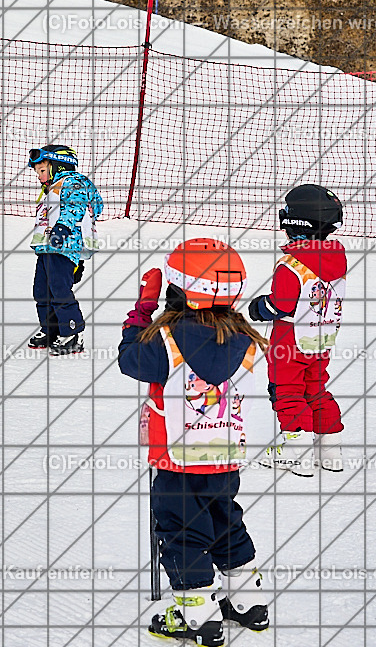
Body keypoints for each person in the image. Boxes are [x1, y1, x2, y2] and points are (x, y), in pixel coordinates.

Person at [118, 239, 270, 645]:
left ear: (179, 290)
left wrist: (142, 308)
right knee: (224, 518)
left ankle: (199, 614)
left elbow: (128, 359)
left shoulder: (164, 339)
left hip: (176, 459)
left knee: (182, 530)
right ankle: (247, 600)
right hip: (226, 455)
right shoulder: (249, 339)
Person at [249, 184, 346, 476]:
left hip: (290, 340)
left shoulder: (291, 265)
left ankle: (296, 450)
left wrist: (259, 308)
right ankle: (329, 448)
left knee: (287, 389)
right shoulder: (335, 258)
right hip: (322, 335)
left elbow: (282, 305)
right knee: (315, 386)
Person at [27, 145, 103, 355]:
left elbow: (76, 206)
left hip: (64, 245)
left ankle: (71, 332)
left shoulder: (73, 182)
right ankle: (50, 329)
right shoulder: (53, 187)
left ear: (58, 164)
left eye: (42, 170)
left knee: (60, 290)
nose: (40, 176)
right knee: (41, 291)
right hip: (47, 247)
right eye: (37, 172)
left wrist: (62, 229)